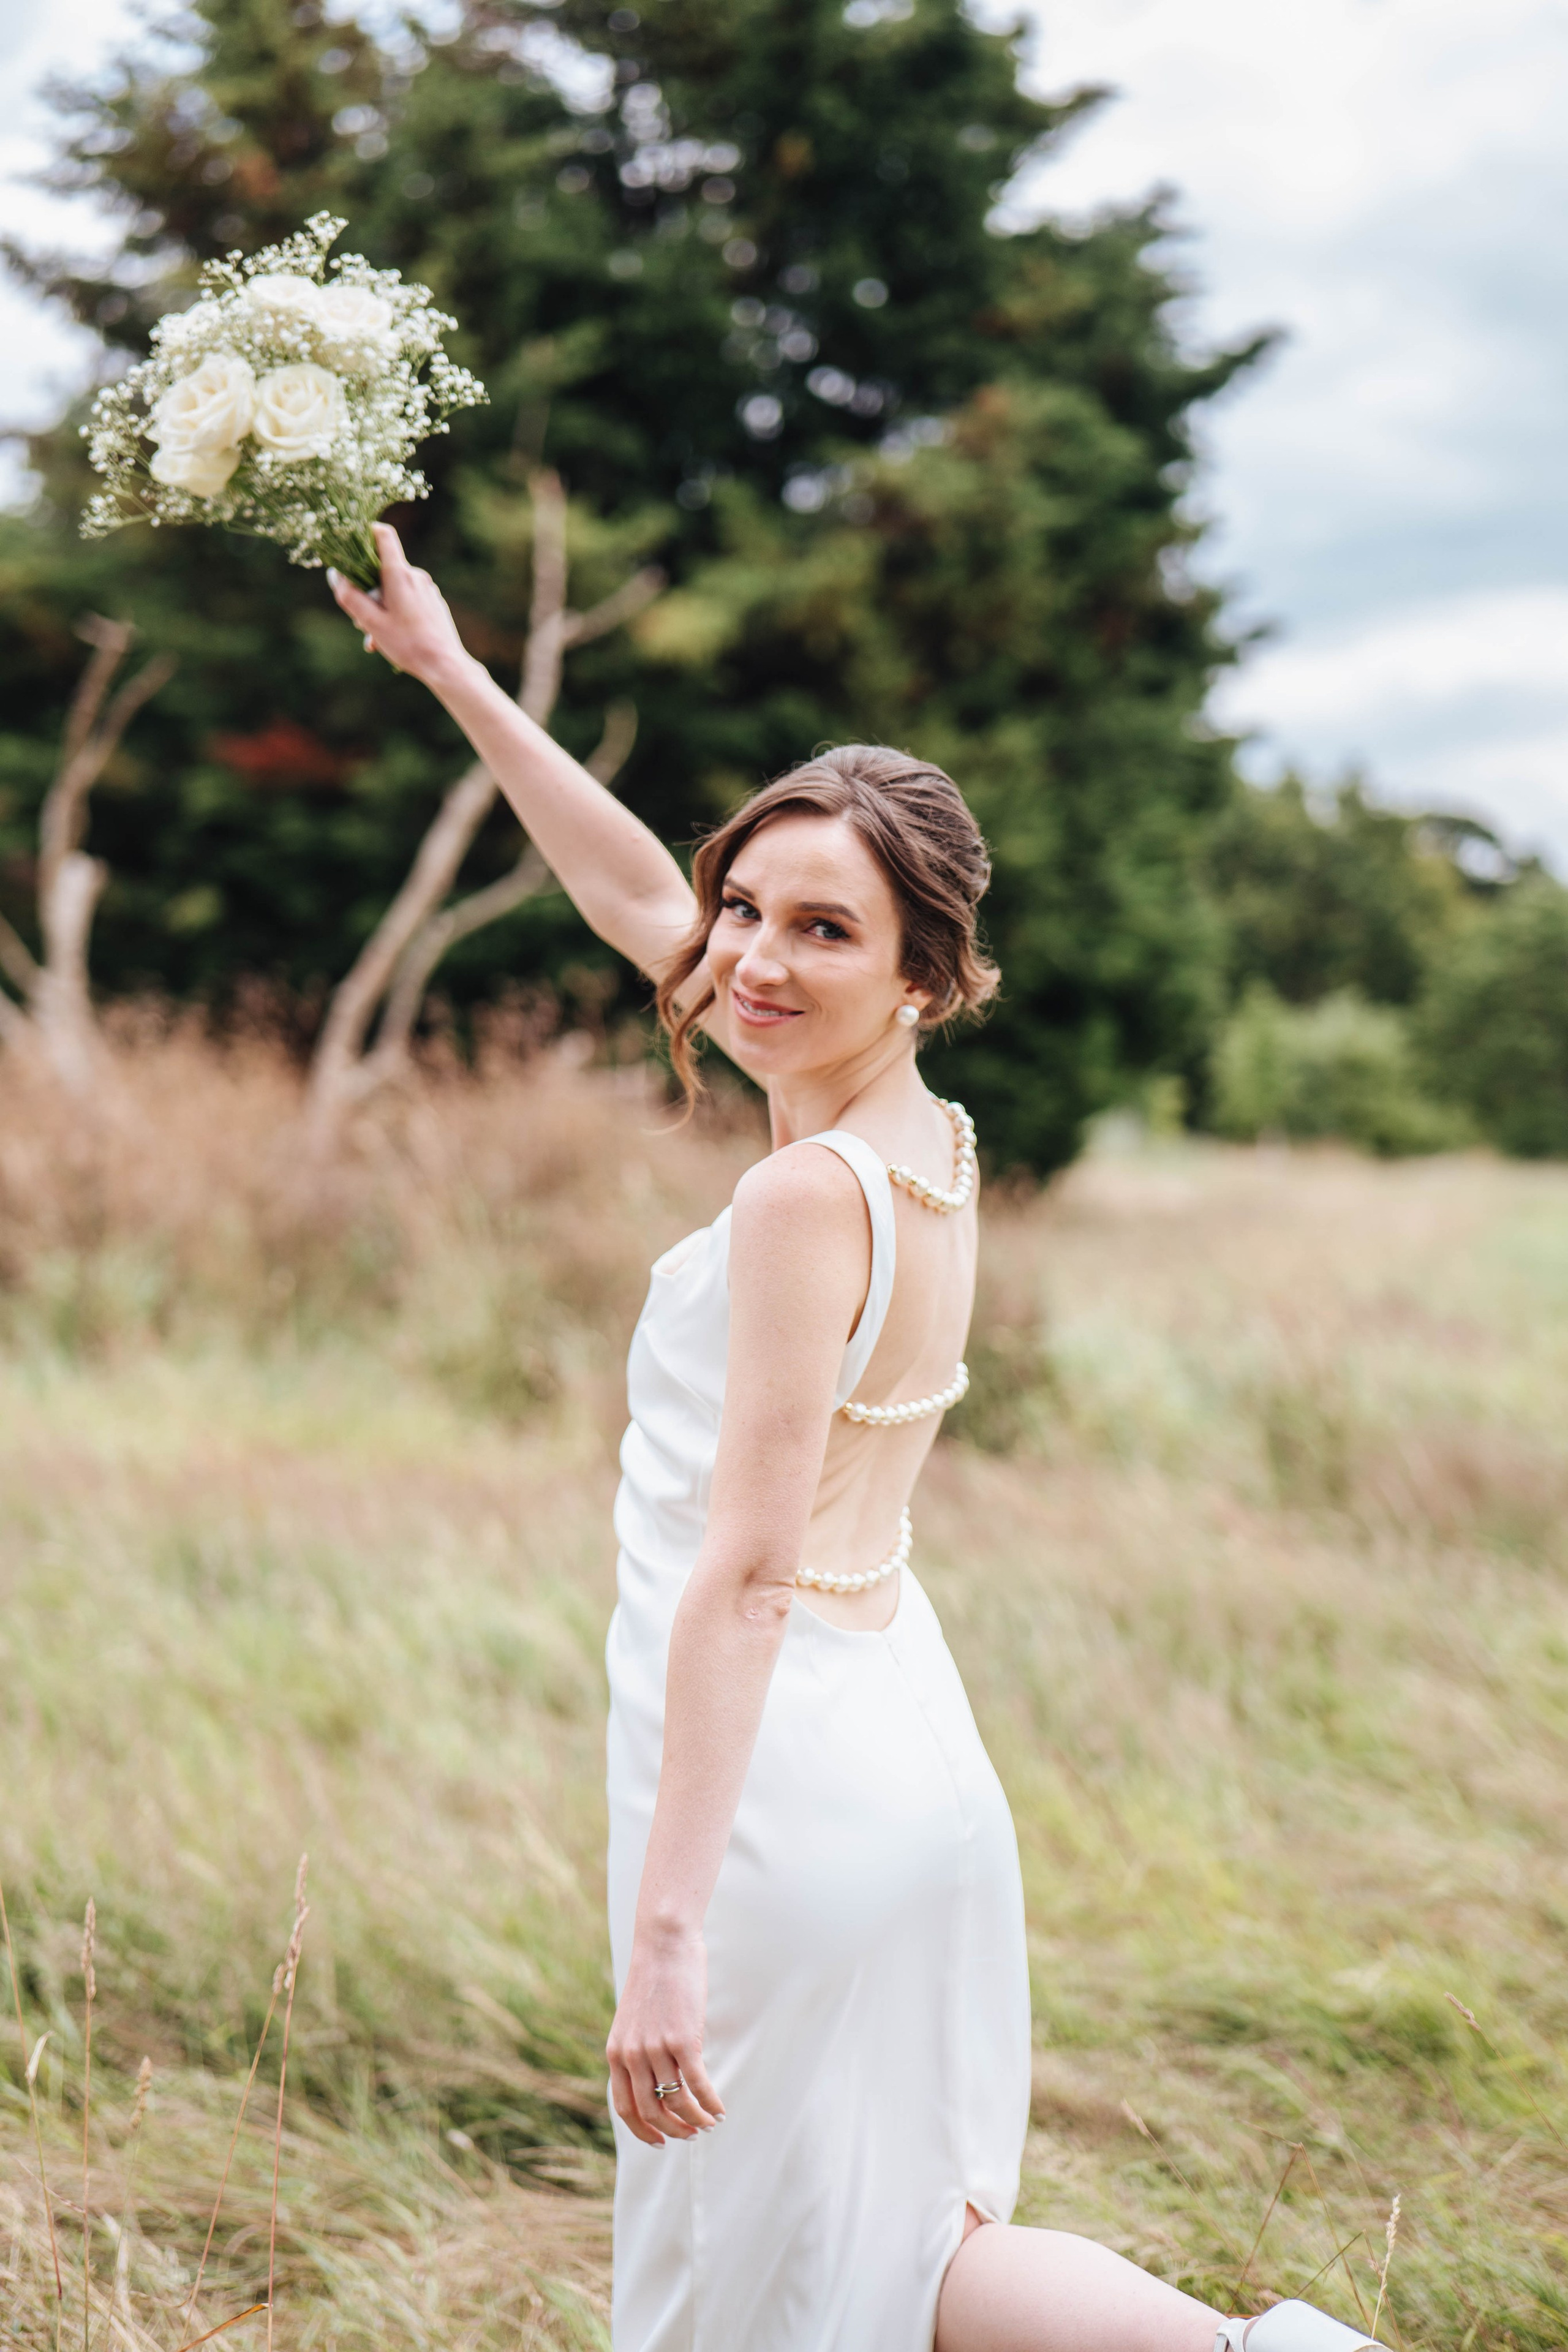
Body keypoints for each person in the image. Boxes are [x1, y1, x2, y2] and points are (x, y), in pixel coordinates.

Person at [328, 526, 1391, 2352]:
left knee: (791, 2276)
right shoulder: (924, 1145)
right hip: (906, 1744)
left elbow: (739, 1583)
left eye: (823, 929)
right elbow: (635, 900)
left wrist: (666, 1937)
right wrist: (452, 672)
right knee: (915, 2256)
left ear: (925, 974)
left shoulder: (801, 1198)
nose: (745, 957)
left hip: (776, 1794)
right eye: (748, 907)